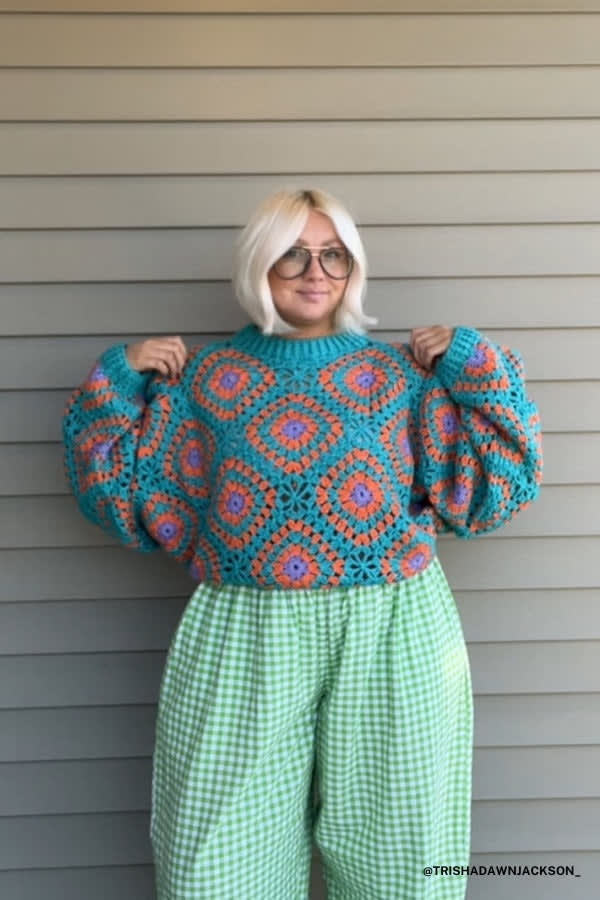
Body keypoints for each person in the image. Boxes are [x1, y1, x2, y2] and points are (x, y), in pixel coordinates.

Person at [62, 187, 543, 900]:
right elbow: (113, 489)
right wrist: (119, 376)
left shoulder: (401, 378)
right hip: (246, 629)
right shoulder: (206, 382)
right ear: (259, 264)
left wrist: (474, 363)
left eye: (333, 255)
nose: (315, 272)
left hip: (392, 626)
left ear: (353, 268)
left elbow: (499, 485)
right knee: (213, 869)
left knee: (403, 864)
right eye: (292, 254)